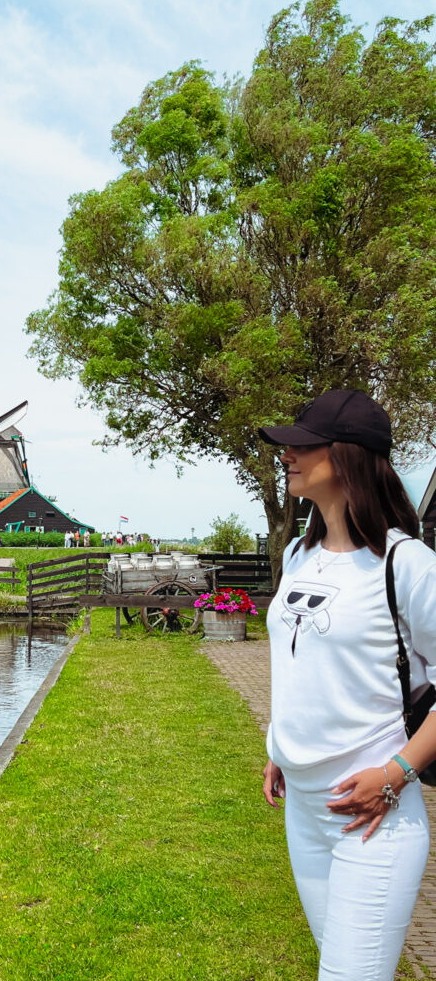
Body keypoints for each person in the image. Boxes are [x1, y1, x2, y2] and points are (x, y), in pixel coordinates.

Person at [258, 390, 436, 981]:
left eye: (303, 444)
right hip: (302, 812)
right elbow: (301, 662)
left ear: (349, 456)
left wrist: (395, 773)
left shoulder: (406, 564)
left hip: (373, 819)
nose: (288, 454)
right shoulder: (298, 554)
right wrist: (279, 749)